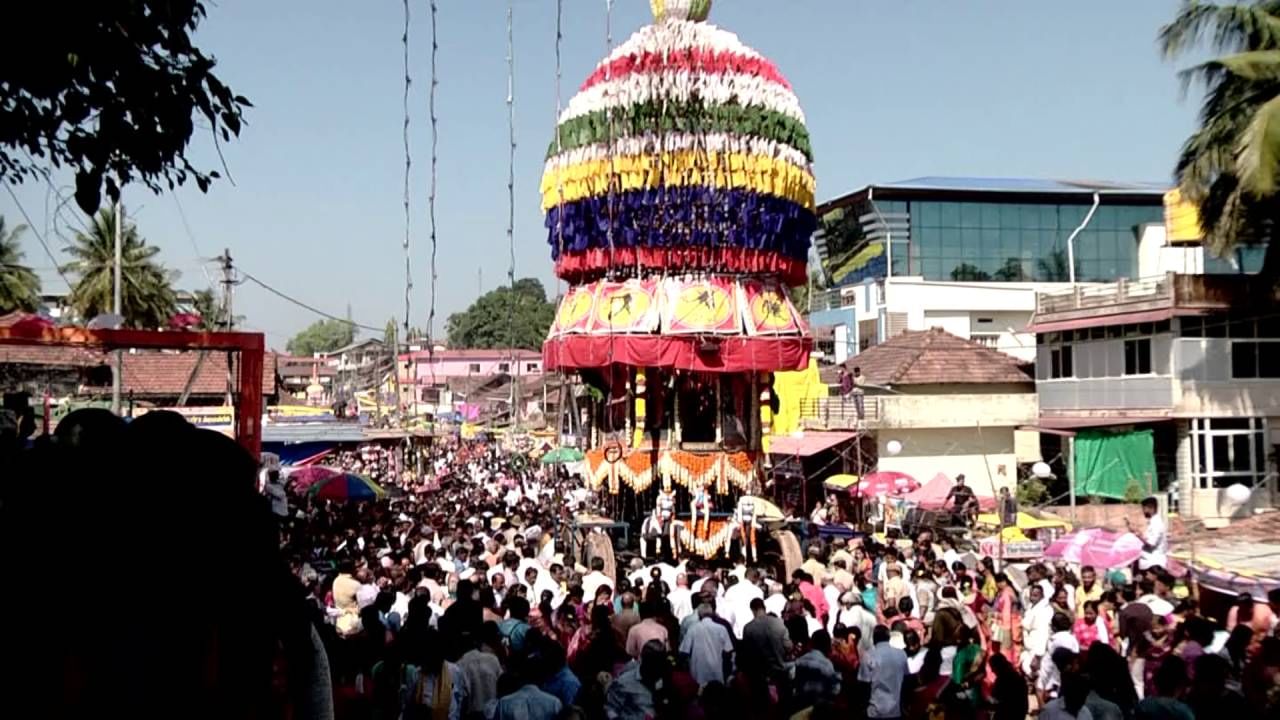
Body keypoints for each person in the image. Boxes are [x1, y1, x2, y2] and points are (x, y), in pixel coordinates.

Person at [741, 597, 793, 704]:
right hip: (780, 670)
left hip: (760, 675)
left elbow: (747, 653)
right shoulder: (778, 623)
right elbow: (788, 646)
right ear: (764, 608)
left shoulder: (748, 628)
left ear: (753, 610)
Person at [679, 601, 735, 688]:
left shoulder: (693, 628)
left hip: (698, 671)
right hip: (717, 670)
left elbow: (684, 651)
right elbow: (728, 650)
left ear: (699, 614)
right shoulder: (721, 629)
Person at [861, 625, 908, 720]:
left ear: (874, 639)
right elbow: (906, 680)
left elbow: (863, 684)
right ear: (889, 638)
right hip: (896, 711)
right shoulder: (901, 654)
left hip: (874, 711)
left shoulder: (869, 655)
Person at [1127, 497, 1169, 571]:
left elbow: (1151, 543)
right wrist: (1137, 532)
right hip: (1149, 562)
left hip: (1153, 563)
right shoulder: (1152, 522)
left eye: (1144, 509)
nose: (1143, 511)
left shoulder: (1157, 523)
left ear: (1150, 508)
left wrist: (1138, 535)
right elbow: (1148, 538)